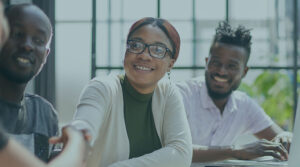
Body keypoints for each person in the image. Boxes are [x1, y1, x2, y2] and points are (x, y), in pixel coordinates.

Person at [70, 17, 192, 167]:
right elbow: (85, 126)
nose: (144, 55)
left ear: (170, 64)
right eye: (135, 45)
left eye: (158, 50)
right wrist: (76, 135)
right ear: (126, 52)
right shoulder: (102, 87)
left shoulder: (168, 93)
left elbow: (181, 155)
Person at [176, 21, 292, 162]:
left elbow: (279, 137)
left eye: (232, 66)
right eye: (216, 62)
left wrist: (286, 136)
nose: (221, 71)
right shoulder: (182, 95)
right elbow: (175, 150)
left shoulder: (243, 105)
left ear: (244, 71)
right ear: (207, 62)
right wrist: (236, 151)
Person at [0, 3, 58, 162]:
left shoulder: (45, 114)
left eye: (38, 40)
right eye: (18, 34)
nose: (27, 45)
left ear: (46, 55)